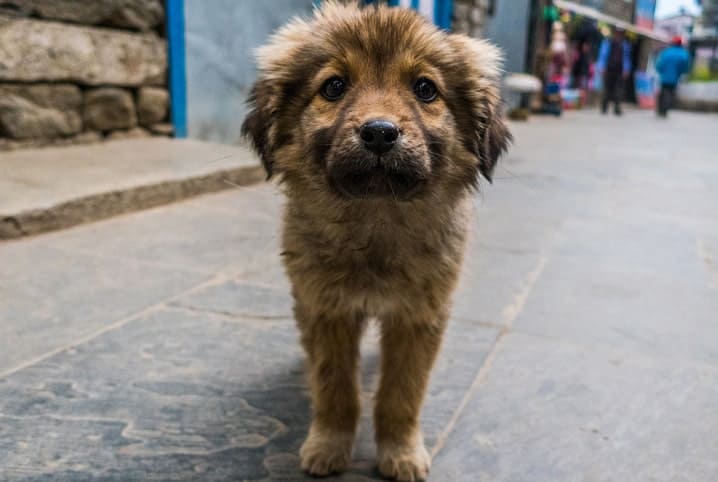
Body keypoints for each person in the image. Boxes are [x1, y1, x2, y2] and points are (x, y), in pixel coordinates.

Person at [597, 28, 632, 116]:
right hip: (609, 69)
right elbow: (603, 55)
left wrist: (626, 69)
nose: (619, 35)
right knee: (607, 89)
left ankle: (617, 108)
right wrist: (601, 67)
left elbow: (627, 58)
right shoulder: (608, 42)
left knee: (618, 89)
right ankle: (604, 107)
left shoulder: (625, 44)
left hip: (619, 70)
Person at [655, 36, 691, 117]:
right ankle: (666, 108)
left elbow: (659, 65)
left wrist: (661, 71)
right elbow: (685, 67)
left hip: (664, 78)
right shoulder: (684, 54)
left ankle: (661, 109)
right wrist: (681, 73)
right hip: (675, 78)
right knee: (671, 93)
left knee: (663, 93)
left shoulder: (667, 52)